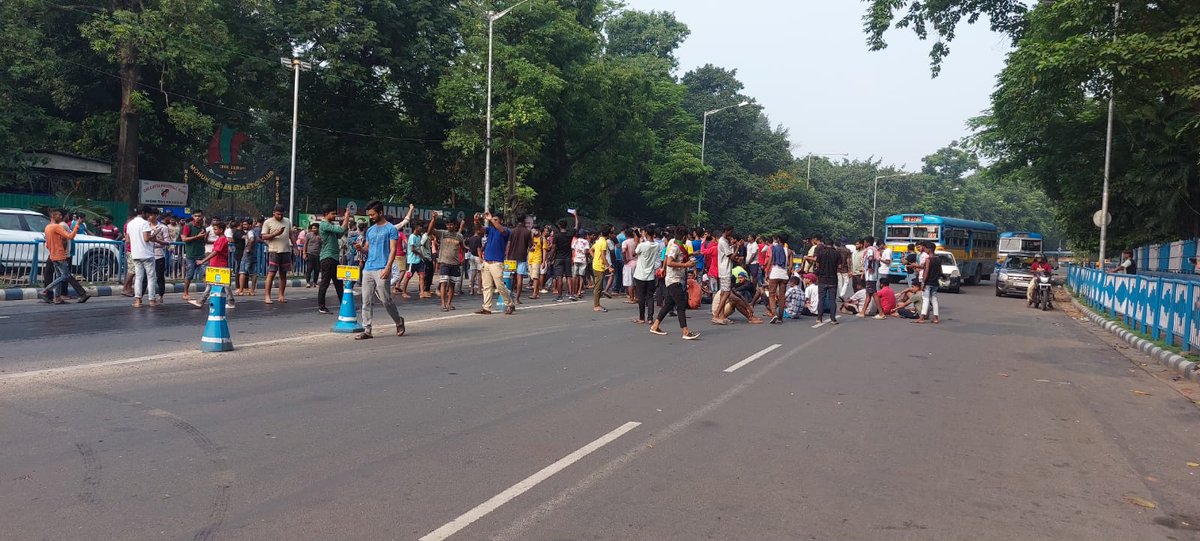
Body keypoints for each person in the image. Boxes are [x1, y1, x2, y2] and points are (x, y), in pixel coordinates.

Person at [355, 200, 405, 339]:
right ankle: (367, 329)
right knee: (366, 300)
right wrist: (361, 249)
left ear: (380, 212)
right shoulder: (370, 230)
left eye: (372, 214)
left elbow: (393, 250)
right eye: (369, 215)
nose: (370, 217)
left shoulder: (391, 229)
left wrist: (388, 267)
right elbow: (367, 249)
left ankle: (398, 321)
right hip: (368, 269)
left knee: (386, 300)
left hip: (383, 268)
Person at [649, 226, 699, 340]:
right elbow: (670, 262)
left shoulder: (679, 247)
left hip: (678, 279)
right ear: (685, 237)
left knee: (668, 304)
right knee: (681, 305)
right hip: (673, 280)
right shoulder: (675, 247)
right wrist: (685, 265)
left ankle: (655, 325)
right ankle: (685, 331)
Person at [38, 209, 90, 305]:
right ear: (53, 216)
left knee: (59, 276)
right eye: (59, 215)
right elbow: (70, 237)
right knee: (65, 275)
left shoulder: (47, 227)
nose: (61, 217)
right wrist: (77, 225)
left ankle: (57, 298)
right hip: (60, 255)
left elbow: (47, 244)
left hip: (53, 255)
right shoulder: (56, 227)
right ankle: (45, 291)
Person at [189, 220, 235, 309]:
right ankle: (202, 301)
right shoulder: (220, 239)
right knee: (212, 284)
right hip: (215, 264)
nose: (214, 231)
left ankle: (230, 302)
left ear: (221, 230)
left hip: (220, 265)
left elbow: (215, 252)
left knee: (224, 285)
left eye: (215, 229)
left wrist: (203, 261)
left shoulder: (222, 239)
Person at [477, 211, 516, 315]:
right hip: (487, 261)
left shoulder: (506, 231)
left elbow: (502, 230)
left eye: (496, 219)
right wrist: (476, 220)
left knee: (499, 286)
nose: (493, 221)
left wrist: (490, 220)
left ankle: (510, 304)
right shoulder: (490, 230)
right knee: (487, 286)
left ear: (501, 221)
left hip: (497, 263)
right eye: (492, 219)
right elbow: (480, 229)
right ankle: (486, 307)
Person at [317, 205, 353, 314]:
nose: (334, 216)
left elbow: (340, 233)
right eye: (332, 213)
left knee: (338, 283)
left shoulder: (330, 226)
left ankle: (345, 304)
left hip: (334, 257)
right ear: (326, 214)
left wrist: (346, 222)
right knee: (325, 283)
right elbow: (341, 229)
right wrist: (347, 217)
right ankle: (321, 306)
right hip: (327, 257)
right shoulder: (324, 225)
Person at [429, 211, 466, 312]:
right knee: (443, 283)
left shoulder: (459, 236)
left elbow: (462, 247)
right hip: (444, 262)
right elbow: (430, 230)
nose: (449, 226)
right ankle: (443, 304)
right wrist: (433, 219)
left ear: (455, 225)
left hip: (455, 264)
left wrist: (462, 258)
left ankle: (449, 303)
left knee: (452, 285)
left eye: (451, 224)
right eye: (448, 224)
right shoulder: (442, 233)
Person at [127, 206, 158, 307]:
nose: (149, 216)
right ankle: (152, 300)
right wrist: (155, 234)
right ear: (144, 213)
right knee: (151, 277)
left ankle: (138, 300)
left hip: (135, 254)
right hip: (147, 254)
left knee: (138, 277)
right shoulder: (145, 223)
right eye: (149, 214)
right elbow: (146, 238)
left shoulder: (130, 223)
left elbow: (127, 240)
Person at [260, 205, 292, 304]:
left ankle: (281, 295)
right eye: (278, 214)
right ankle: (267, 296)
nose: (280, 216)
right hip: (274, 250)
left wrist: (294, 246)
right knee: (272, 273)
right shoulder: (268, 222)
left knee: (283, 274)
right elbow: (264, 236)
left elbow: (291, 235)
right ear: (273, 213)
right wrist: (275, 234)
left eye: (282, 214)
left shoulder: (287, 221)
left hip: (285, 250)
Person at [632, 226, 659, 324]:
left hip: (640, 274)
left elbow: (633, 254)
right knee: (650, 296)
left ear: (646, 233)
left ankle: (641, 317)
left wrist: (637, 241)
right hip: (650, 274)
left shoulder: (642, 245)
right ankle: (650, 318)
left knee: (641, 296)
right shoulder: (656, 245)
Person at [813, 235, 841, 327]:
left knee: (821, 299)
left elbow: (817, 265)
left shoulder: (821, 253)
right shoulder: (837, 253)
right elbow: (840, 266)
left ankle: (819, 318)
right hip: (833, 279)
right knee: (832, 299)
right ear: (832, 244)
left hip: (822, 278)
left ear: (825, 244)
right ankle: (833, 319)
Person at [506, 214, 533, 304]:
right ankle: (517, 298)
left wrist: (507, 256)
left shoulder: (511, 231)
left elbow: (509, 244)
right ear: (524, 221)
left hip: (511, 257)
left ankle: (509, 296)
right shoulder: (527, 232)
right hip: (522, 256)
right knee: (520, 277)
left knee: (510, 277)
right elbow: (531, 246)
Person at [180, 211, 207, 301]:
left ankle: (207, 293)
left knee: (205, 274)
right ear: (192, 216)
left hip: (201, 253)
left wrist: (204, 237)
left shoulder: (203, 227)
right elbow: (184, 239)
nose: (198, 218)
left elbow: (204, 240)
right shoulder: (188, 226)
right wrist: (197, 237)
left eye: (199, 216)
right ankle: (185, 293)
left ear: (202, 216)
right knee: (189, 274)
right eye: (196, 216)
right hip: (191, 255)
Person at [766, 234, 791, 324]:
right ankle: (780, 317)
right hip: (784, 274)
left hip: (775, 273)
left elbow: (770, 261)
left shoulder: (774, 248)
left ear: (778, 239)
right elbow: (790, 266)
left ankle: (774, 314)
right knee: (782, 297)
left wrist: (767, 272)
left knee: (772, 294)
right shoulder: (789, 251)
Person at [915, 241, 941, 324]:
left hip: (928, 282)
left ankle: (922, 317)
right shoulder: (938, 259)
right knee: (934, 299)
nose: (924, 249)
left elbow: (926, 272)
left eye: (925, 248)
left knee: (925, 299)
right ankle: (936, 318)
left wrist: (923, 282)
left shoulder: (928, 260)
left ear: (929, 249)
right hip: (935, 282)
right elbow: (940, 271)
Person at [591, 224, 613, 312]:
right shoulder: (604, 242)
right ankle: (596, 305)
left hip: (596, 264)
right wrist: (609, 266)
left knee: (598, 286)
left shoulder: (598, 240)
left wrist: (595, 258)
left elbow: (591, 250)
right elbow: (603, 256)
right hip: (599, 266)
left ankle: (598, 304)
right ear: (608, 234)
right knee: (598, 287)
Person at [237, 219, 259, 296]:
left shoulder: (250, 232)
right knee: (253, 273)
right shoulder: (254, 232)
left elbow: (252, 239)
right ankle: (252, 290)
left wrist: (248, 248)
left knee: (242, 272)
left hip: (248, 255)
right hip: (254, 254)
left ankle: (241, 290)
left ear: (250, 225)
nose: (244, 226)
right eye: (243, 224)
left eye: (246, 224)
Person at [528, 223, 547, 300]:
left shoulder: (542, 239)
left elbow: (544, 251)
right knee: (532, 277)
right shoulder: (530, 238)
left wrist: (543, 262)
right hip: (530, 259)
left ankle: (534, 293)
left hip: (537, 259)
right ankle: (536, 292)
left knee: (535, 277)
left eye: (536, 229)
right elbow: (528, 247)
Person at [303, 223, 322, 287]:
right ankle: (307, 282)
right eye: (313, 228)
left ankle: (315, 282)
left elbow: (322, 244)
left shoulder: (321, 235)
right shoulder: (308, 235)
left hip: (318, 254)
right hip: (310, 253)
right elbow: (305, 244)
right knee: (309, 268)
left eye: (315, 228)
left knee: (317, 269)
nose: (314, 229)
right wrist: (304, 253)